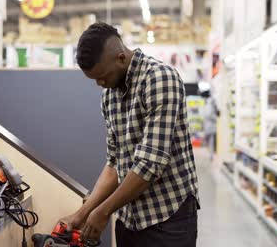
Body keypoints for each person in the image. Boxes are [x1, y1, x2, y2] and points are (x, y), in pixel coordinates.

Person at [59, 22, 200, 247]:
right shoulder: (109, 96)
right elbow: (115, 163)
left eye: (103, 76)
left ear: (121, 58)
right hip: (128, 219)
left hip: (167, 219)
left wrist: (103, 211)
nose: (100, 84)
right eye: (94, 79)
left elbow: (150, 163)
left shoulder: (160, 79)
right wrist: (81, 214)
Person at [200, 86, 220, 160]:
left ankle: (211, 155)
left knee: (210, 140)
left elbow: (209, 114)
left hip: (210, 125)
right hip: (209, 124)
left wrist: (215, 118)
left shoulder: (210, 102)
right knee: (210, 141)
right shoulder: (208, 101)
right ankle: (210, 154)